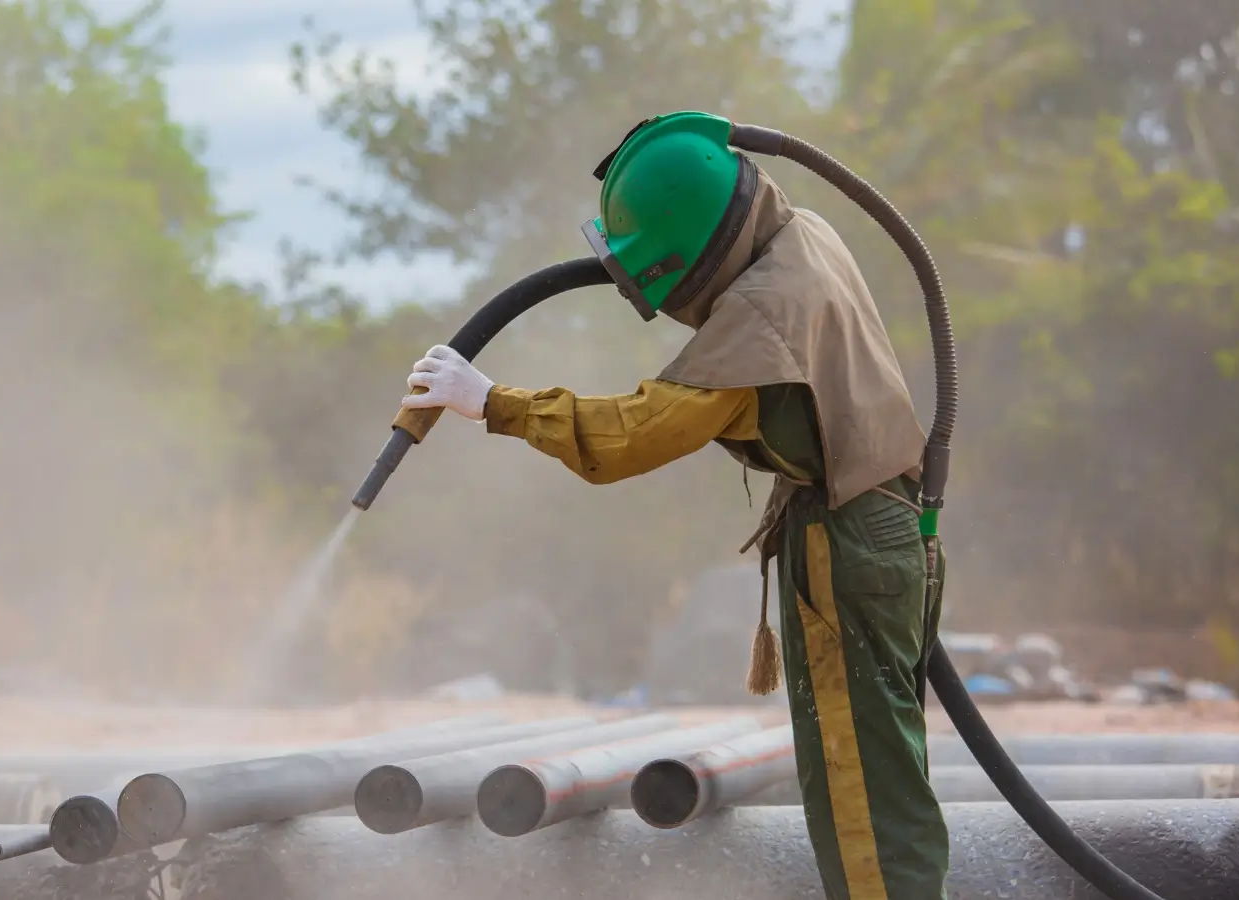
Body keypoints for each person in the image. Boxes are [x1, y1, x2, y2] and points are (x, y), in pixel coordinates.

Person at [401, 112, 950, 899]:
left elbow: (631, 437)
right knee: (883, 781)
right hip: (892, 531)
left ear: (687, 250)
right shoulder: (804, 234)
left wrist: (492, 402)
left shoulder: (758, 323)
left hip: (852, 548)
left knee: (862, 802)